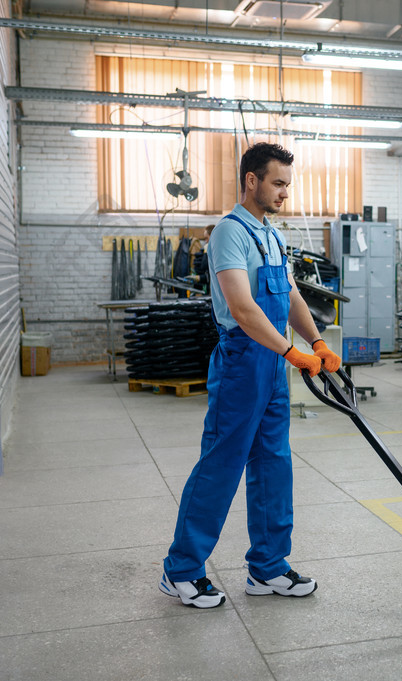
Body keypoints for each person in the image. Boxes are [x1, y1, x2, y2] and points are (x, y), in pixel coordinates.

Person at [159, 142, 341, 608]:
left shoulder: (272, 235)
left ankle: (268, 567)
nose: (284, 193)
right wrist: (290, 350)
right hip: (243, 361)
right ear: (251, 180)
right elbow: (242, 307)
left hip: (273, 365)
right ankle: (181, 569)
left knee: (273, 465)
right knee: (222, 465)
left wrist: (317, 342)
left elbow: (293, 295)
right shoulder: (229, 232)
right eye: (277, 183)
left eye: (287, 184)